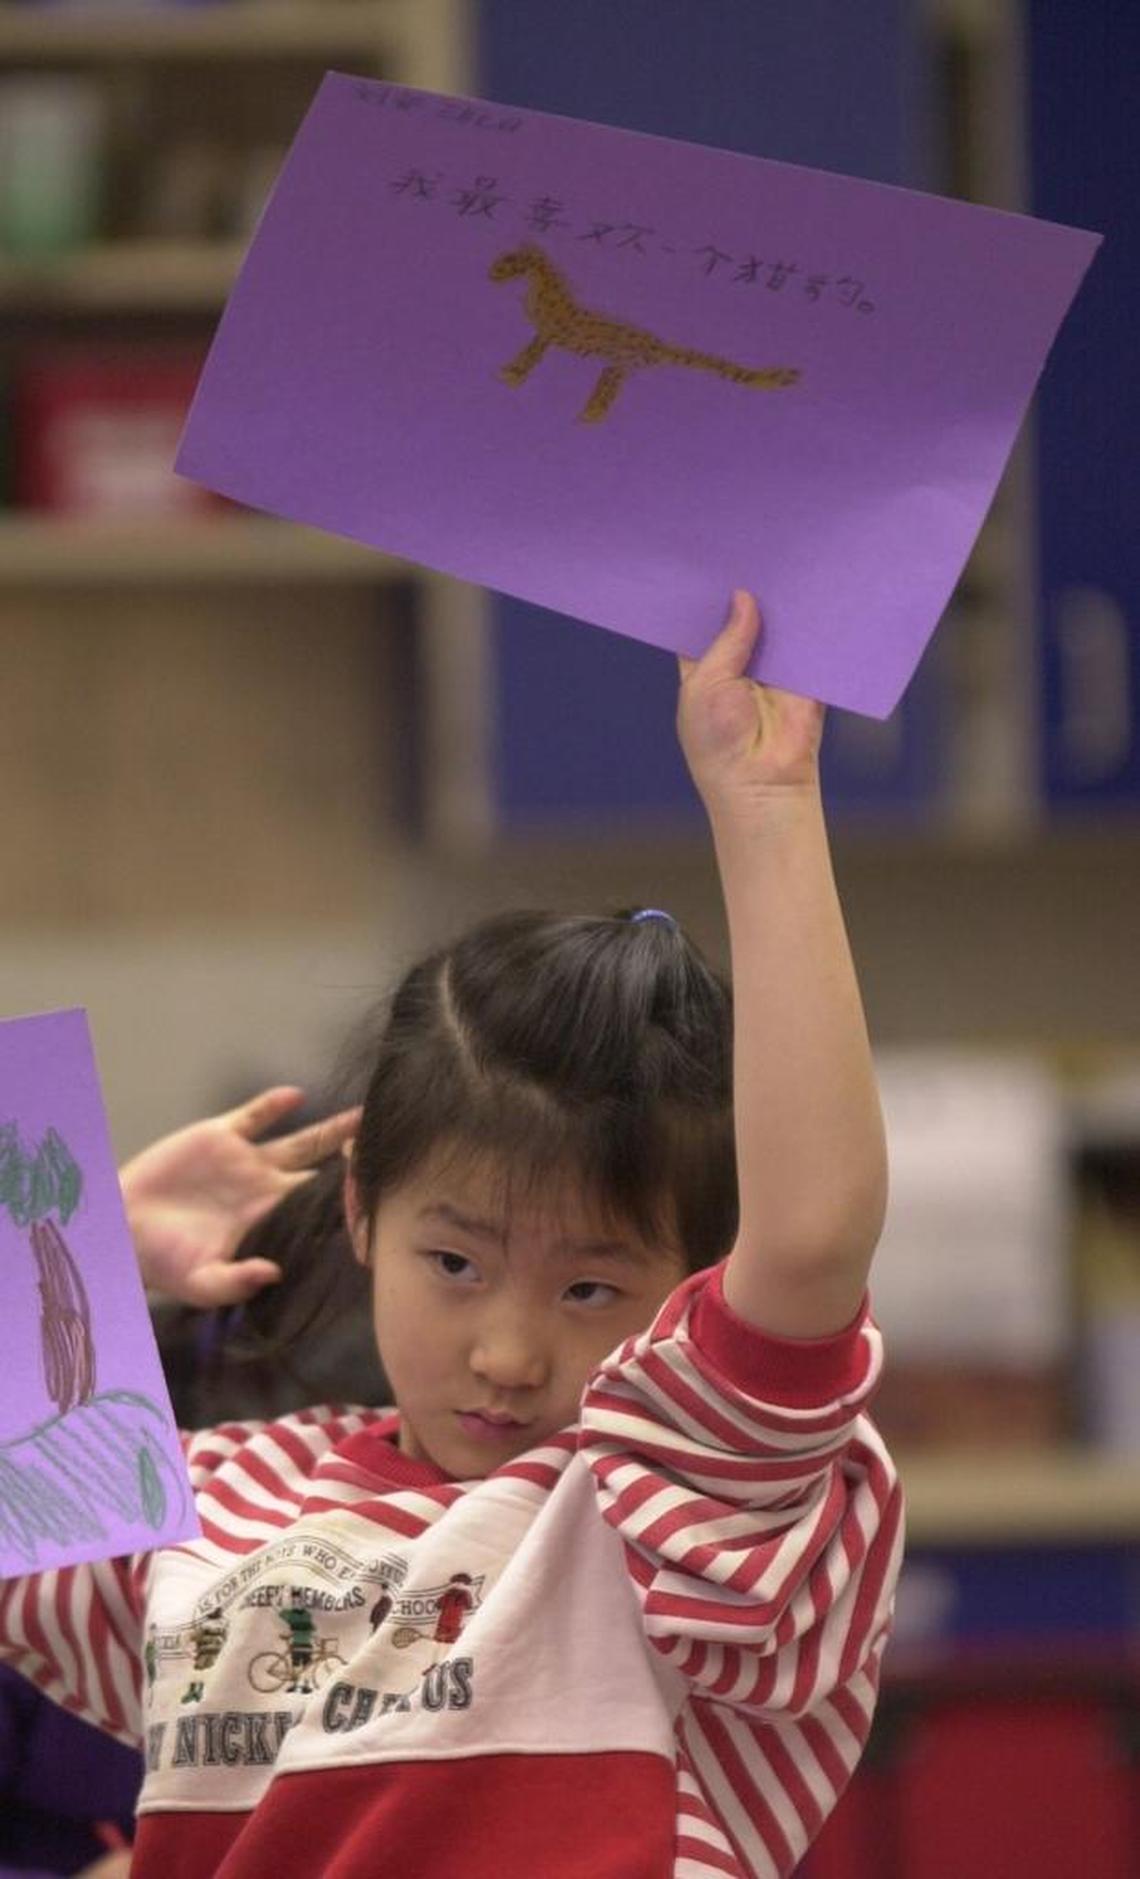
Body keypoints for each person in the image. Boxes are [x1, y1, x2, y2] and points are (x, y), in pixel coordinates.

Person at [0, 592, 903, 1879]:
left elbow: (813, 1243)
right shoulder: (224, 1504)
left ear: (691, 1296)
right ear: (362, 1206)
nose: (506, 1350)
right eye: (456, 1262)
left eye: (592, 1285)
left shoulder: (673, 1516)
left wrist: (767, 804)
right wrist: (71, 1242)